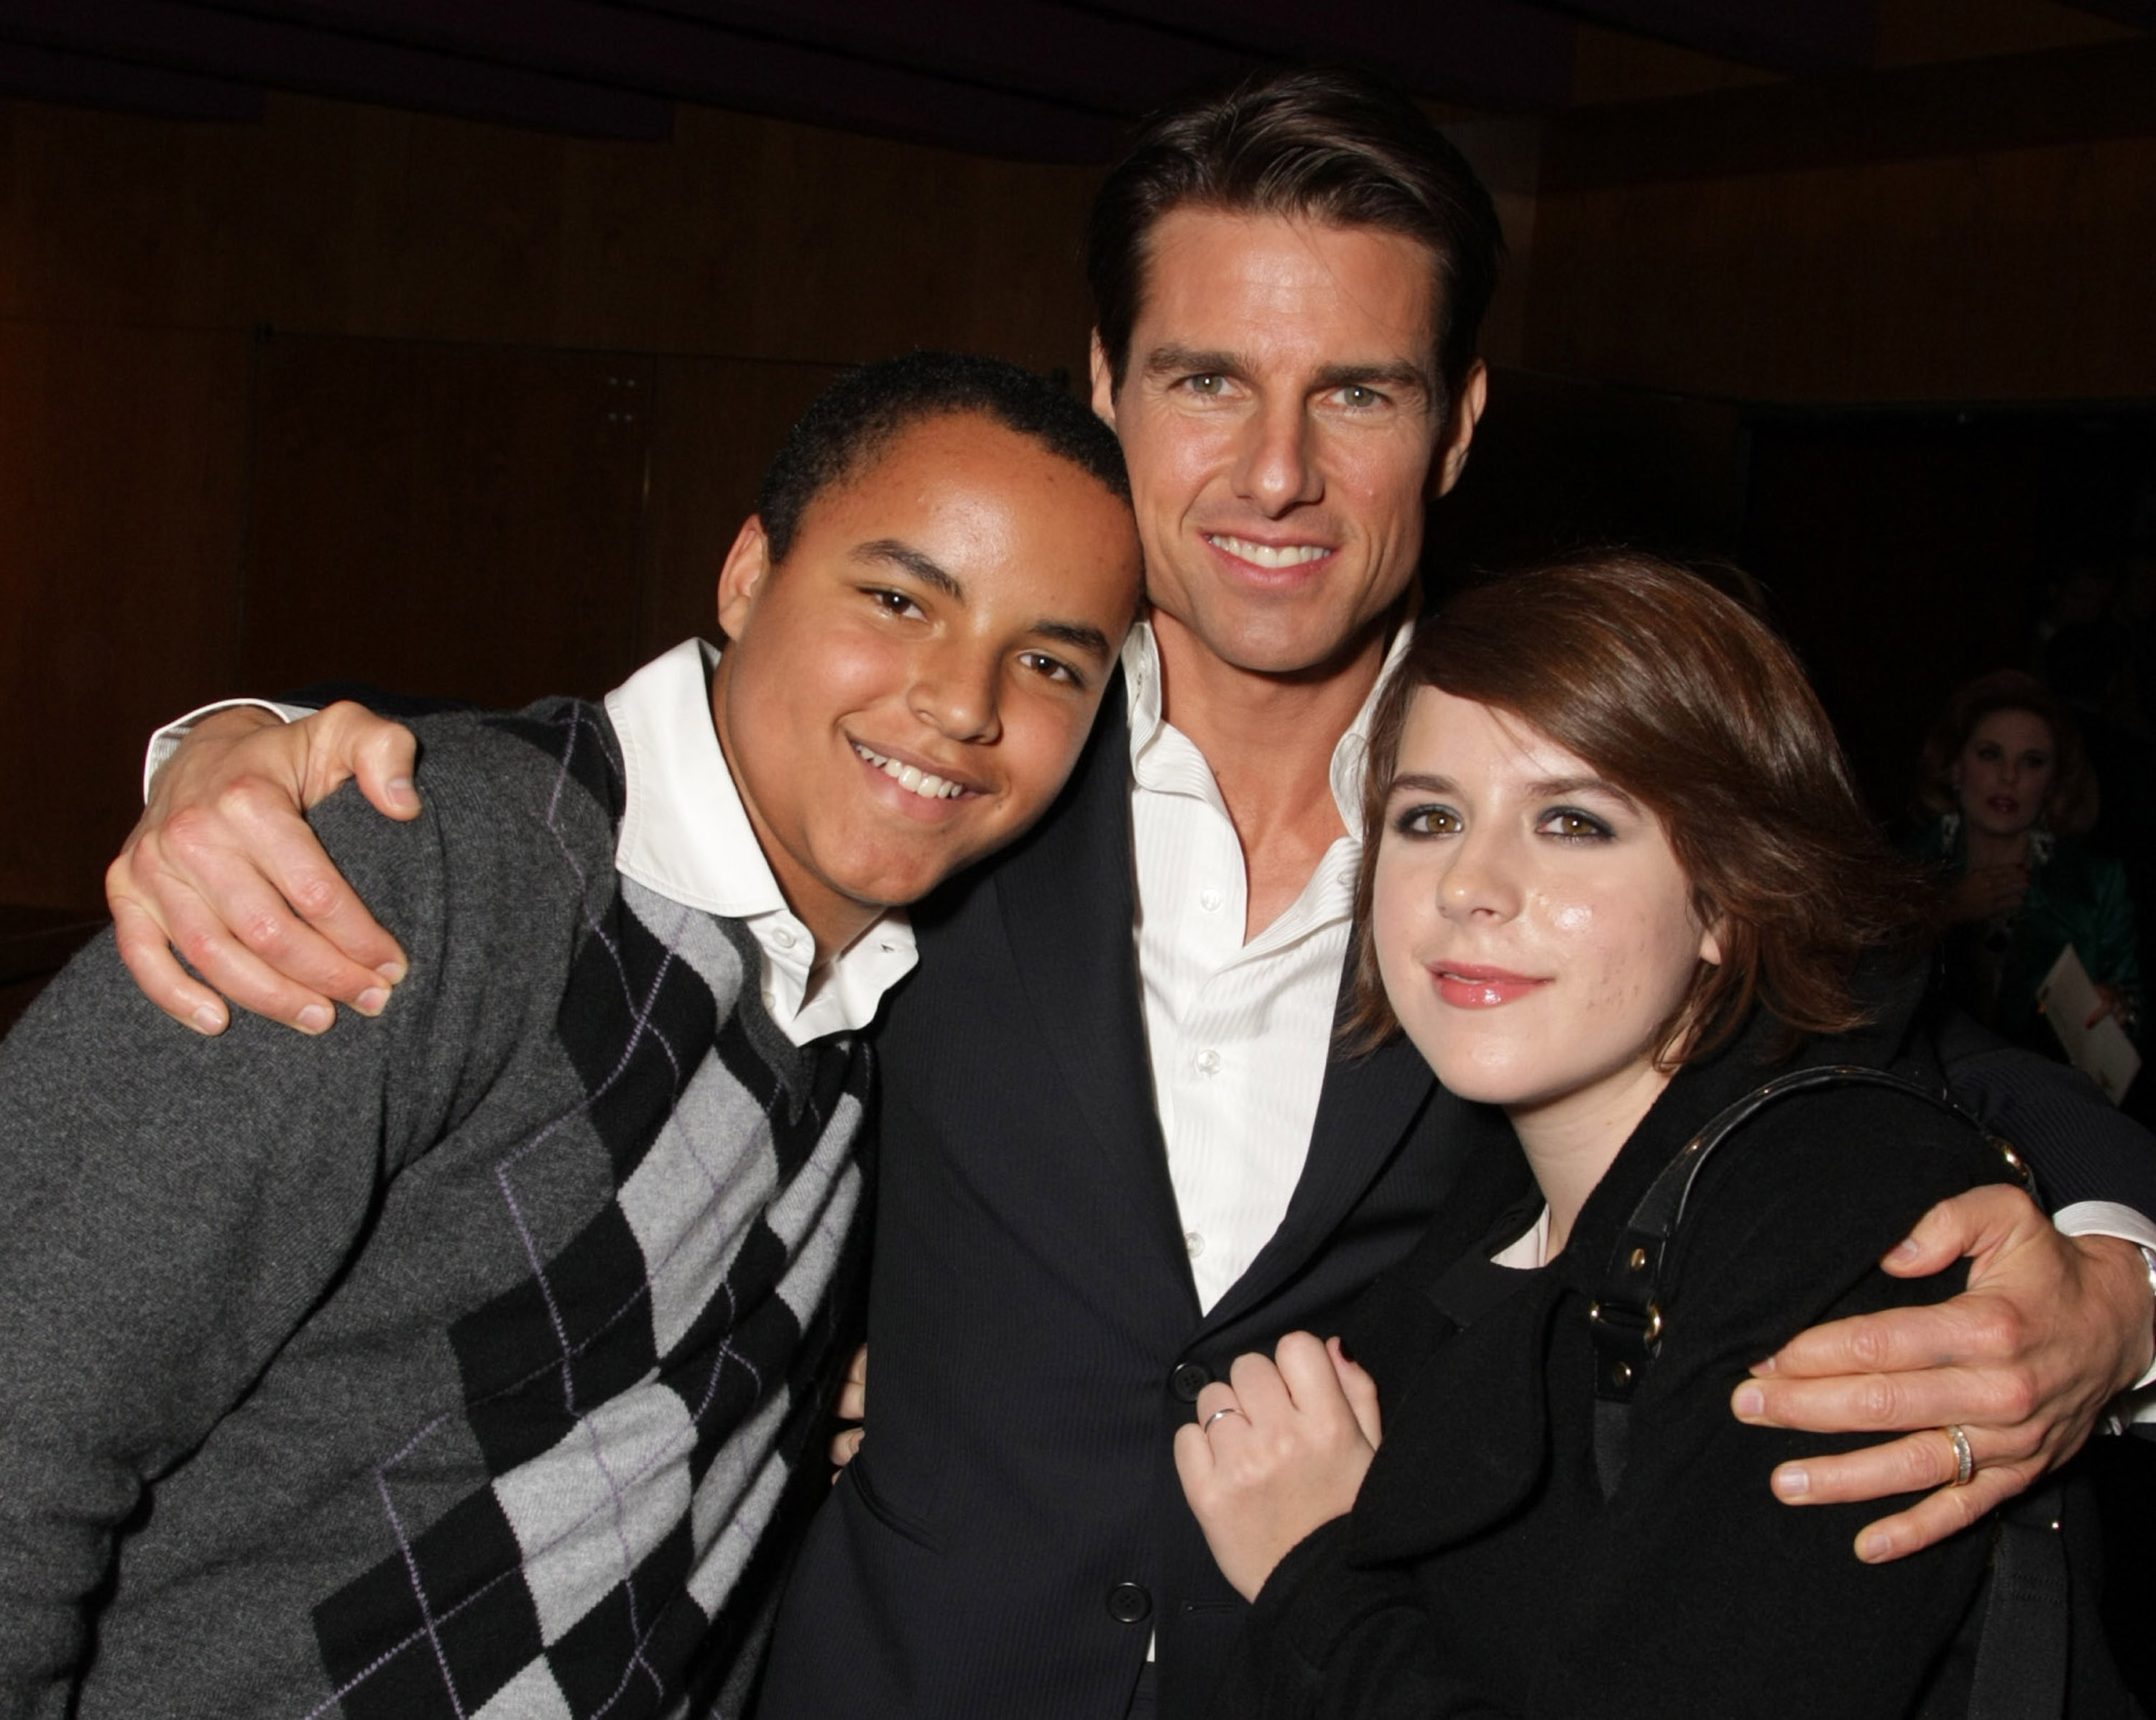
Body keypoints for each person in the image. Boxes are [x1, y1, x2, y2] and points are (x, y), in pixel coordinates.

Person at [101, 71, 2156, 1720]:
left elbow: (1923, 1042)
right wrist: (235, 741)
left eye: (1354, 392)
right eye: (1205, 382)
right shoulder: (951, 759)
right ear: (1106, 381)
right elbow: (606, 788)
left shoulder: (1550, 833)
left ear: (1458, 426)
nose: (1273, 473)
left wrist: (2119, 1277)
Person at [0, 353, 1141, 1716]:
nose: (966, 701)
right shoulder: (428, 876)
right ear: (746, 575)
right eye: (899, 599)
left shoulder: (871, 1011)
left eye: (1050, 662)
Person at [1176, 555, 2126, 1718]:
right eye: (1428, 816)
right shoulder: (1496, 1175)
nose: (1469, 882)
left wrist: (1311, 1572)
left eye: (1573, 821)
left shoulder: (1838, 1222)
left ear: (1730, 896)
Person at [1912, 669, 2144, 1057]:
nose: (2009, 776)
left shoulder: (2095, 884)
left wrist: (2118, 1009)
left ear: (2053, 784)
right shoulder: (1903, 867)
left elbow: (2134, 1021)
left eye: (2032, 762)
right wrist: (1946, 911)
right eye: (1991, 754)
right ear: (1955, 767)